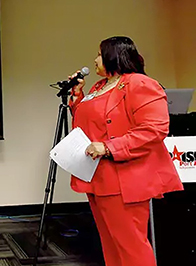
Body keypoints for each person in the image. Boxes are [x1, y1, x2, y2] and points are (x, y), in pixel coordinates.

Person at [68, 36, 183, 266]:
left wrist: (109, 147)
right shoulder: (99, 86)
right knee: (110, 243)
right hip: (98, 177)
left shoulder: (140, 83)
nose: (95, 60)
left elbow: (155, 129)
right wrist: (77, 97)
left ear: (114, 54)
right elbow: (91, 122)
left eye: (99, 54)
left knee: (131, 246)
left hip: (125, 180)